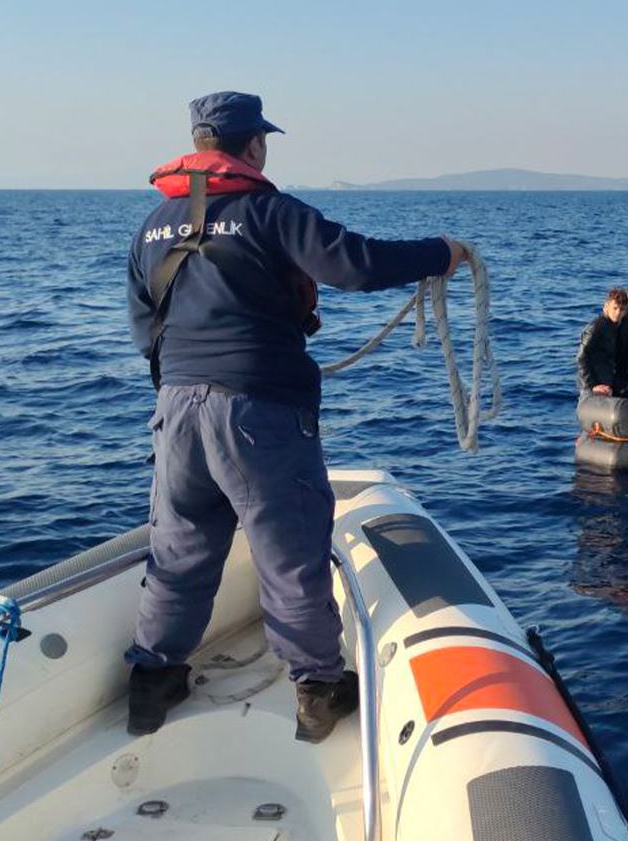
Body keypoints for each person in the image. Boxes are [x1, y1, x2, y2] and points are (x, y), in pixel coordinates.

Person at [125, 91, 467, 741]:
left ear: (199, 145)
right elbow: (356, 264)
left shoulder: (151, 226)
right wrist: (439, 253)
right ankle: (316, 688)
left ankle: (152, 680)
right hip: (257, 409)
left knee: (180, 547)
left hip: (176, 410)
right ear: (252, 145)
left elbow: (146, 326)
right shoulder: (269, 213)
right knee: (289, 551)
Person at [577, 288, 628, 395]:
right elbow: (581, 357)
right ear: (606, 307)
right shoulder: (596, 327)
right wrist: (591, 386)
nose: (618, 313)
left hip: (608, 380)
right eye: (615, 308)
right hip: (595, 385)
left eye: (622, 309)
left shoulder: (616, 327)